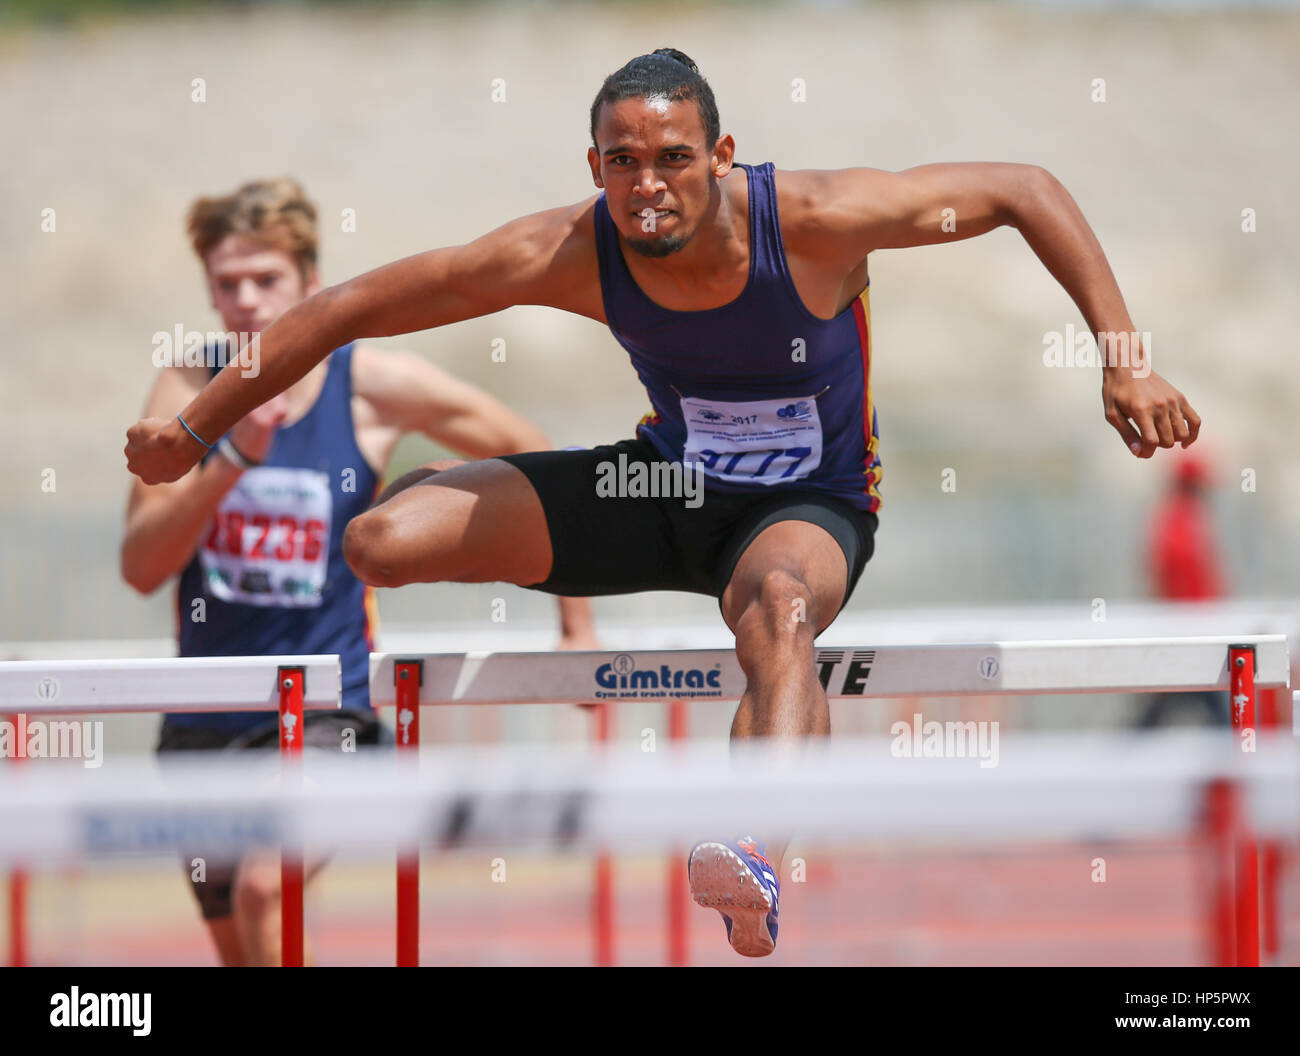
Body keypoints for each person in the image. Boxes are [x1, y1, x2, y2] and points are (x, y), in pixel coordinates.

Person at [124, 50, 1201, 958]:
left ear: (721, 157)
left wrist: (1123, 362)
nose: (648, 186)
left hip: (806, 507)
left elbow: (1025, 187)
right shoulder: (569, 250)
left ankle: (754, 855)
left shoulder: (819, 221)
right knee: (380, 540)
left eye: (674, 159)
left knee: (776, 607)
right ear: (593, 167)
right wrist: (198, 425)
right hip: (664, 486)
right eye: (623, 163)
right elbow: (349, 306)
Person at [121, 177, 596, 966]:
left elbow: (536, 458)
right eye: (227, 283)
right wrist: (232, 457)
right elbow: (141, 567)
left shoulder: (368, 384)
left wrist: (575, 621)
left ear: (310, 283)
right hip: (204, 715)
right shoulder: (187, 390)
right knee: (244, 949)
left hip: (325, 709)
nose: (246, 301)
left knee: (265, 890)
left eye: (266, 280)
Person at [1137, 451, 1229, 727]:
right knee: (1216, 713)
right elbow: (1184, 580)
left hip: (1189, 630)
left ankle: (1114, 765)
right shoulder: (1181, 520)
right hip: (1189, 633)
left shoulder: (1180, 517)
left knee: (1165, 710)